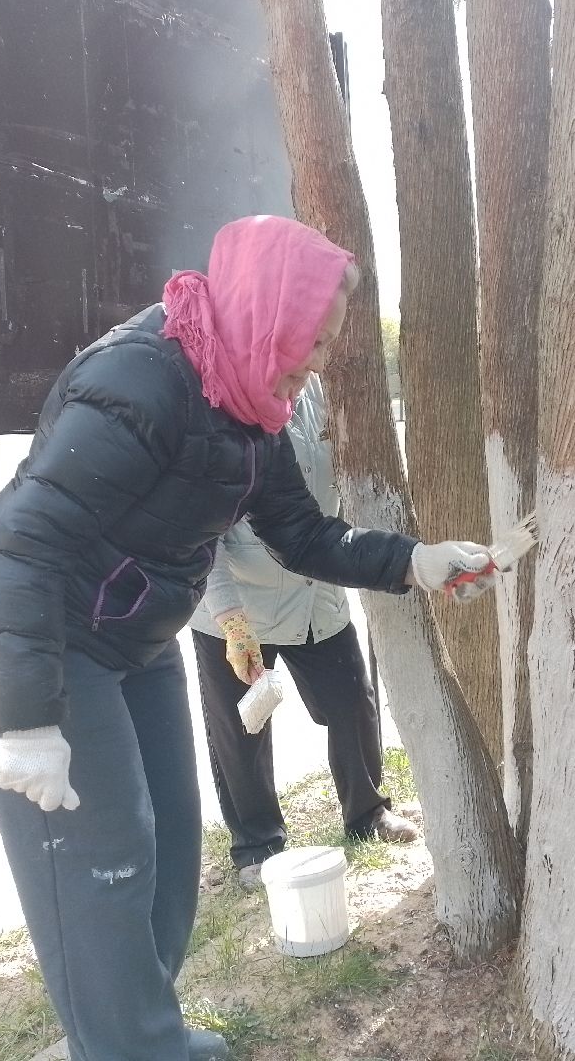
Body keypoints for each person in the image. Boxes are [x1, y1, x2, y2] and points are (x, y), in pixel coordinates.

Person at [0, 215, 496, 1061]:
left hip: (133, 628)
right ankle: (130, 1047)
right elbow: (24, 545)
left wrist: (417, 562)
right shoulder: (140, 381)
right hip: (39, 625)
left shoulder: (251, 399)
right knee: (104, 860)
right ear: (268, 311)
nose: (318, 361)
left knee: (166, 844)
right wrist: (26, 719)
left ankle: (135, 1034)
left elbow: (303, 535)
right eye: (313, 339)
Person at [188, 372, 418, 889]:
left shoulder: (322, 386)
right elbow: (199, 533)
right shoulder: (223, 393)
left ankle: (367, 813)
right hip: (236, 601)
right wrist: (230, 619)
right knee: (240, 727)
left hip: (316, 589)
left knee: (352, 702)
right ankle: (257, 844)